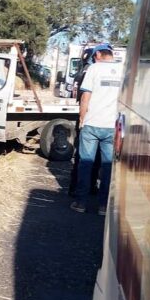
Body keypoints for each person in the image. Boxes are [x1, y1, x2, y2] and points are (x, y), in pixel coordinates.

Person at [70, 43, 122, 215]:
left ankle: (81, 203)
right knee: (108, 166)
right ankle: (103, 206)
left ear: (99, 54)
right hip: (112, 126)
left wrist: (81, 119)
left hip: (92, 124)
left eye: (94, 56)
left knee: (86, 164)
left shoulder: (94, 69)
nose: (93, 58)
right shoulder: (124, 70)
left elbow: (85, 96)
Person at [67, 47, 101, 198]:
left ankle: (77, 188)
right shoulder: (91, 71)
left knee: (83, 157)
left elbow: (79, 97)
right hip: (92, 118)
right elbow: (83, 97)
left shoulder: (85, 71)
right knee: (91, 158)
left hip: (87, 117)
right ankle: (86, 188)